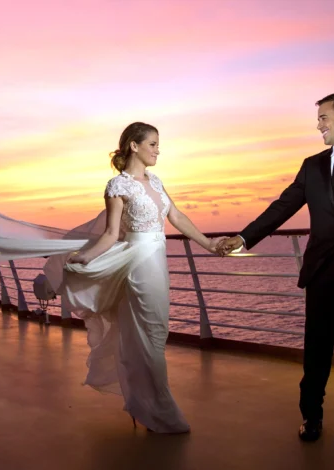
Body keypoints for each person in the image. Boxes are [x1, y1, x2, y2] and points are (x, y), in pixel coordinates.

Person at [217, 93, 334, 442]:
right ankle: (311, 417)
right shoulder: (311, 165)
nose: (318, 124)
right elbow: (282, 207)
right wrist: (243, 239)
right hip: (320, 269)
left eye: (323, 117)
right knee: (317, 344)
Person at [47, 122, 225, 434]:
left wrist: (209, 244)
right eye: (153, 144)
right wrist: (86, 257)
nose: (158, 150)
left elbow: (178, 217)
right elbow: (111, 234)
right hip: (137, 266)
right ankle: (158, 410)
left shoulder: (155, 182)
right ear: (134, 146)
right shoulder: (118, 187)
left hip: (158, 262)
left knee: (156, 333)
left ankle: (146, 403)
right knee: (150, 337)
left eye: (158, 144)